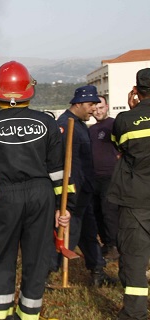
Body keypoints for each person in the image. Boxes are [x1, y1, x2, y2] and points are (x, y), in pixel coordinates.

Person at [0, 61, 71, 320]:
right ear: (28, 90)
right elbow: (58, 171)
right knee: (36, 259)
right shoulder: (46, 122)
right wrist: (63, 207)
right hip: (41, 196)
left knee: (2, 257)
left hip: (6, 197)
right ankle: (28, 315)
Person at [48, 85, 116, 287]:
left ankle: (97, 272)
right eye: (90, 105)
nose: (93, 109)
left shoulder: (79, 124)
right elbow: (60, 166)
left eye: (96, 105)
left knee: (89, 234)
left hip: (85, 193)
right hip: (72, 196)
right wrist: (65, 201)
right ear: (77, 103)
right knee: (66, 238)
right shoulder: (65, 125)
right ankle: (44, 276)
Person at [107, 68, 150, 320]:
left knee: (134, 258)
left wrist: (133, 110)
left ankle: (134, 314)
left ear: (136, 91)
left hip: (137, 201)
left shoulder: (125, 120)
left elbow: (118, 145)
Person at [89, 95, 120, 260]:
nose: (98, 111)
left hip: (110, 177)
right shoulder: (91, 130)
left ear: (107, 107)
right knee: (97, 212)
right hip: (94, 178)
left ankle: (114, 246)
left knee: (109, 213)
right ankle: (107, 245)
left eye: (101, 108)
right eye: (95, 108)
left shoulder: (114, 125)